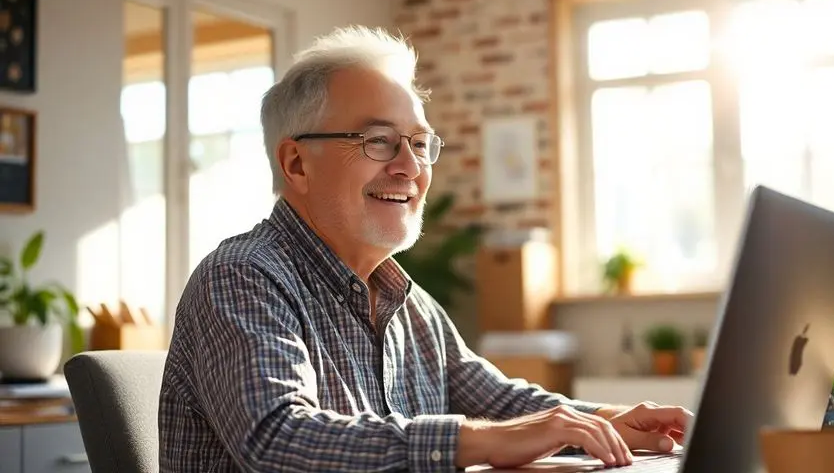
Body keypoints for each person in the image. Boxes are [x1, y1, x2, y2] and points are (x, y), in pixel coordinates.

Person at [158, 25, 694, 472]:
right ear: (296, 163)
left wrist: (604, 419)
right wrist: (480, 442)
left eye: (419, 143)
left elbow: (506, 404)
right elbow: (277, 438)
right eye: (378, 141)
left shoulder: (408, 304)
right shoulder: (241, 276)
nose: (411, 168)